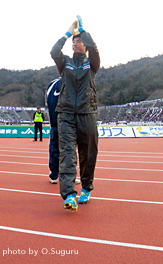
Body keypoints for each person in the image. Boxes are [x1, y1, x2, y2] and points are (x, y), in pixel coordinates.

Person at [50, 16, 100, 211]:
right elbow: (54, 51)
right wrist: (68, 33)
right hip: (66, 114)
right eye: (74, 41)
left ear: (85, 45)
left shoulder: (92, 64)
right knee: (68, 154)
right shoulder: (65, 63)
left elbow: (95, 50)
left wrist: (83, 31)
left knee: (88, 153)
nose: (76, 43)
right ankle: (69, 194)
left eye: (79, 41)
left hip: (87, 112)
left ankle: (86, 187)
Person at [45, 78, 61, 183]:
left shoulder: (51, 84)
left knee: (55, 148)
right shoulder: (71, 80)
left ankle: (54, 175)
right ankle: (57, 174)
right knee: (69, 150)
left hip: (55, 123)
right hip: (65, 123)